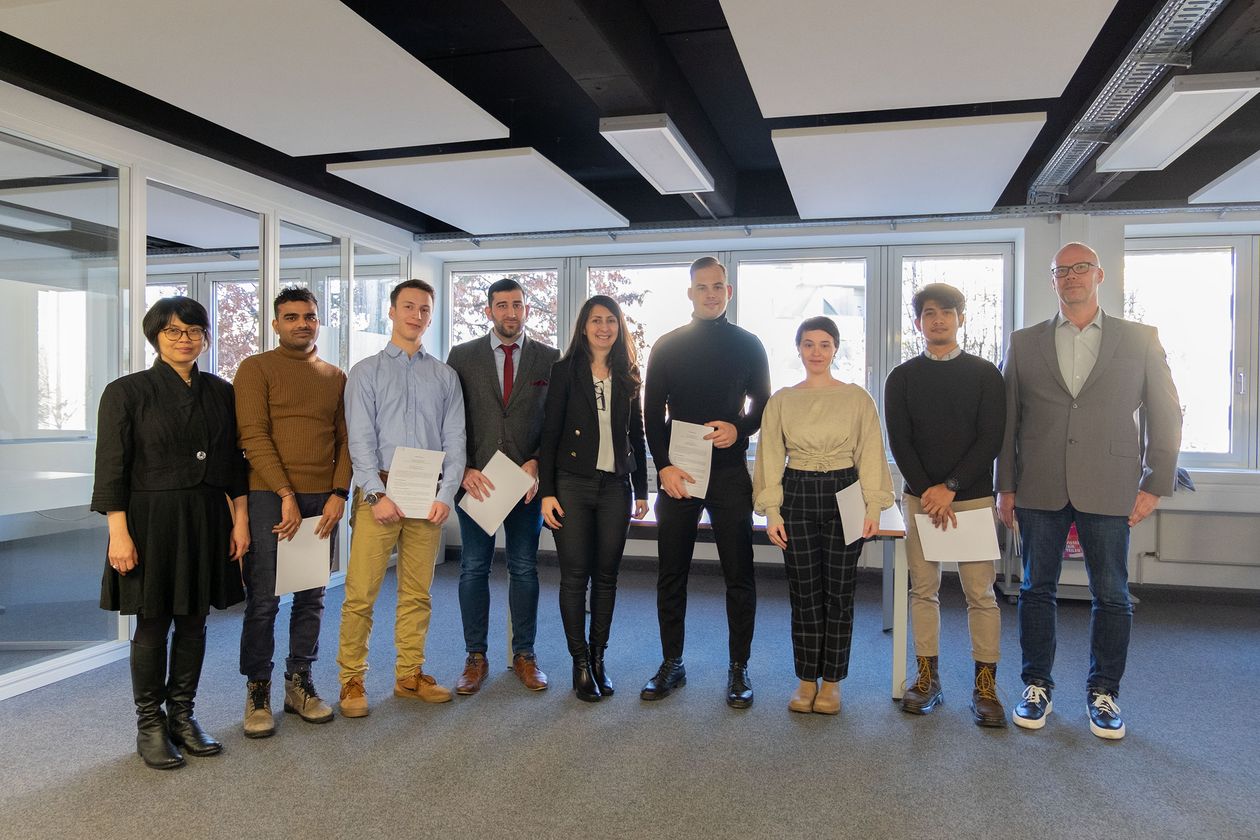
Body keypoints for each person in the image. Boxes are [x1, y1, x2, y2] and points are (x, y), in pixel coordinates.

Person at [997, 242, 1182, 739]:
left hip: (1111, 484)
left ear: (1099, 275)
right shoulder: (1023, 341)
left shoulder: (1140, 338)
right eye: (1062, 271)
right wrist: (1005, 487)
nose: (1072, 277)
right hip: (1039, 485)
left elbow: (1166, 413)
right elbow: (1008, 421)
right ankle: (1036, 686)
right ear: (1052, 280)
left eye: (1081, 269)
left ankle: (1105, 693)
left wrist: (1155, 483)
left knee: (1112, 595)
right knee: (1036, 590)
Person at [91, 296, 249, 770]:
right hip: (149, 520)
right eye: (174, 331)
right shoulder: (126, 392)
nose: (186, 339)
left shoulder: (221, 391)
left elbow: (232, 464)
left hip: (206, 516)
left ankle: (182, 716)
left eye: (195, 331)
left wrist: (240, 519)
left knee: (196, 620)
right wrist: (118, 532)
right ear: (156, 336)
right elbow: (111, 469)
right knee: (153, 621)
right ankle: (150, 725)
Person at [639, 257, 771, 707]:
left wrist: (741, 428)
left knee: (740, 574)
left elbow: (763, 405)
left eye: (718, 286)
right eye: (702, 287)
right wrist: (663, 466)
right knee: (670, 573)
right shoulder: (668, 346)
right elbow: (651, 413)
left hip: (730, 471)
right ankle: (671, 663)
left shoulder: (749, 344)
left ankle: (739, 668)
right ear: (690, 293)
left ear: (728, 292)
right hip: (680, 472)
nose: (711, 294)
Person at [337, 279, 466, 717]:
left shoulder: (444, 376)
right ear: (391, 312)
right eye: (408, 306)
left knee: (418, 593)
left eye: (424, 309)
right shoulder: (366, 371)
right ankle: (352, 680)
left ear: (430, 316)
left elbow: (456, 440)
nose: (416, 315)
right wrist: (375, 493)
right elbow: (360, 440)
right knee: (361, 594)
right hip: (381, 494)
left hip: (426, 497)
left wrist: (446, 494)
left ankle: (409, 674)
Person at [753, 316, 893, 714]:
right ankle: (805, 679)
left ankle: (832, 682)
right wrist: (772, 511)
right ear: (799, 348)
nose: (817, 351)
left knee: (840, 591)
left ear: (836, 348)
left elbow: (870, 452)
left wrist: (872, 506)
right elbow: (768, 457)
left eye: (825, 344)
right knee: (804, 593)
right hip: (796, 492)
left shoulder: (856, 398)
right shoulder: (781, 399)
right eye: (809, 344)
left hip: (845, 491)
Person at [884, 283, 1006, 727]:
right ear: (918, 323)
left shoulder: (986, 374)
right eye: (929, 313)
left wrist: (950, 488)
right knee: (923, 590)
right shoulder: (901, 378)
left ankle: (986, 688)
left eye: (947, 312)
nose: (938, 320)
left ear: (961, 318)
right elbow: (900, 441)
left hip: (970, 499)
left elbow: (990, 438)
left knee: (980, 593)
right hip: (920, 499)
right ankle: (927, 679)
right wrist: (929, 492)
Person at [234, 287, 351, 737]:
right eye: (291, 316)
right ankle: (258, 687)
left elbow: (345, 441)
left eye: (310, 316)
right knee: (264, 599)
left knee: (312, 596)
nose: (302, 323)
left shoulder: (335, 376)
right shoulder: (256, 368)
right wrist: (283, 491)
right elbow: (252, 435)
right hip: (269, 495)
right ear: (275, 323)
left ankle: (298, 681)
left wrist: (339, 492)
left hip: (322, 499)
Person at [446, 278, 559, 694]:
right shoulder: (462, 356)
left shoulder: (550, 358)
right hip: (476, 483)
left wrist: (538, 464)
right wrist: (462, 470)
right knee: (474, 568)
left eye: (517, 305)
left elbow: (557, 422)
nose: (510, 312)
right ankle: (475, 657)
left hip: (525, 486)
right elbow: (449, 419)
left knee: (524, 569)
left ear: (527, 309)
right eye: (501, 305)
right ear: (488, 310)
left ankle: (524, 654)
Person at [539, 295, 649, 701]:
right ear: (583, 327)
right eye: (596, 320)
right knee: (575, 576)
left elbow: (635, 434)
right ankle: (579, 662)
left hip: (615, 487)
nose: (604, 327)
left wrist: (641, 489)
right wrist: (547, 492)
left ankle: (599, 658)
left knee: (607, 577)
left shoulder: (628, 373)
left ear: (619, 328)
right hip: (572, 483)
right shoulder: (564, 371)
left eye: (611, 321)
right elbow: (549, 435)